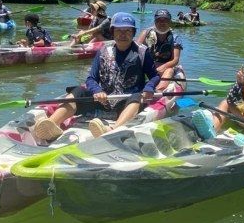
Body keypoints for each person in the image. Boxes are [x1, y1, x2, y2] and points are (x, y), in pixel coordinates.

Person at [32, 12, 160, 141]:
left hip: (127, 102)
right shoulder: (103, 51)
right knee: (79, 91)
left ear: (133, 33)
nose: (123, 34)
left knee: (137, 96)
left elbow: (154, 76)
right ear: (112, 32)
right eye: (119, 30)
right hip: (103, 100)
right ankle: (52, 124)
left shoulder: (142, 52)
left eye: (127, 31)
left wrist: (149, 87)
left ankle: (112, 129)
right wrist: (97, 91)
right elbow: (91, 79)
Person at [136, 9, 184, 91]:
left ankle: (158, 92)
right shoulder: (146, 33)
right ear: (155, 21)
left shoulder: (175, 38)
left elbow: (175, 60)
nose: (162, 23)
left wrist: (163, 67)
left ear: (169, 22)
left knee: (169, 71)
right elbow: (135, 51)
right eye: (159, 20)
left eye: (165, 20)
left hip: (165, 66)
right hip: (147, 65)